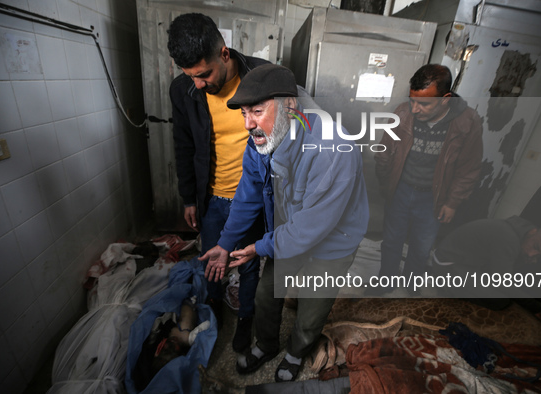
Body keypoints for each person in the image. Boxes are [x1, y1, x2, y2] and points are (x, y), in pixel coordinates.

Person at [199, 64, 369, 382]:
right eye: (244, 113)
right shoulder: (264, 136)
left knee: (311, 307)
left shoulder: (331, 147)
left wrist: (259, 246)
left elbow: (311, 227)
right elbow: (248, 194)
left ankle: (295, 352)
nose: (248, 124)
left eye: (257, 111)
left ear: (289, 106)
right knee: (267, 292)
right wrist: (224, 243)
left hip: (334, 238)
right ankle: (266, 345)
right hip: (292, 230)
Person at [167, 13, 268, 352]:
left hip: (250, 199)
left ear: (224, 54)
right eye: (190, 76)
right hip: (210, 197)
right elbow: (183, 145)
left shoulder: (261, 76)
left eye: (204, 74)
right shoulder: (183, 90)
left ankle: (246, 317)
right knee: (212, 259)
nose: (198, 84)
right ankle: (213, 311)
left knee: (246, 262)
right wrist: (189, 199)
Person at [374, 64, 483, 286]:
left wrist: (452, 203)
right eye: (412, 100)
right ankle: (386, 282)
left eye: (423, 103)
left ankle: (411, 284)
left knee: (421, 247)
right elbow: (384, 153)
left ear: (445, 99)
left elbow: (468, 168)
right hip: (400, 190)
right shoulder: (402, 113)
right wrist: (388, 185)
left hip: (433, 198)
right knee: (391, 241)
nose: (414, 109)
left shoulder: (468, 121)